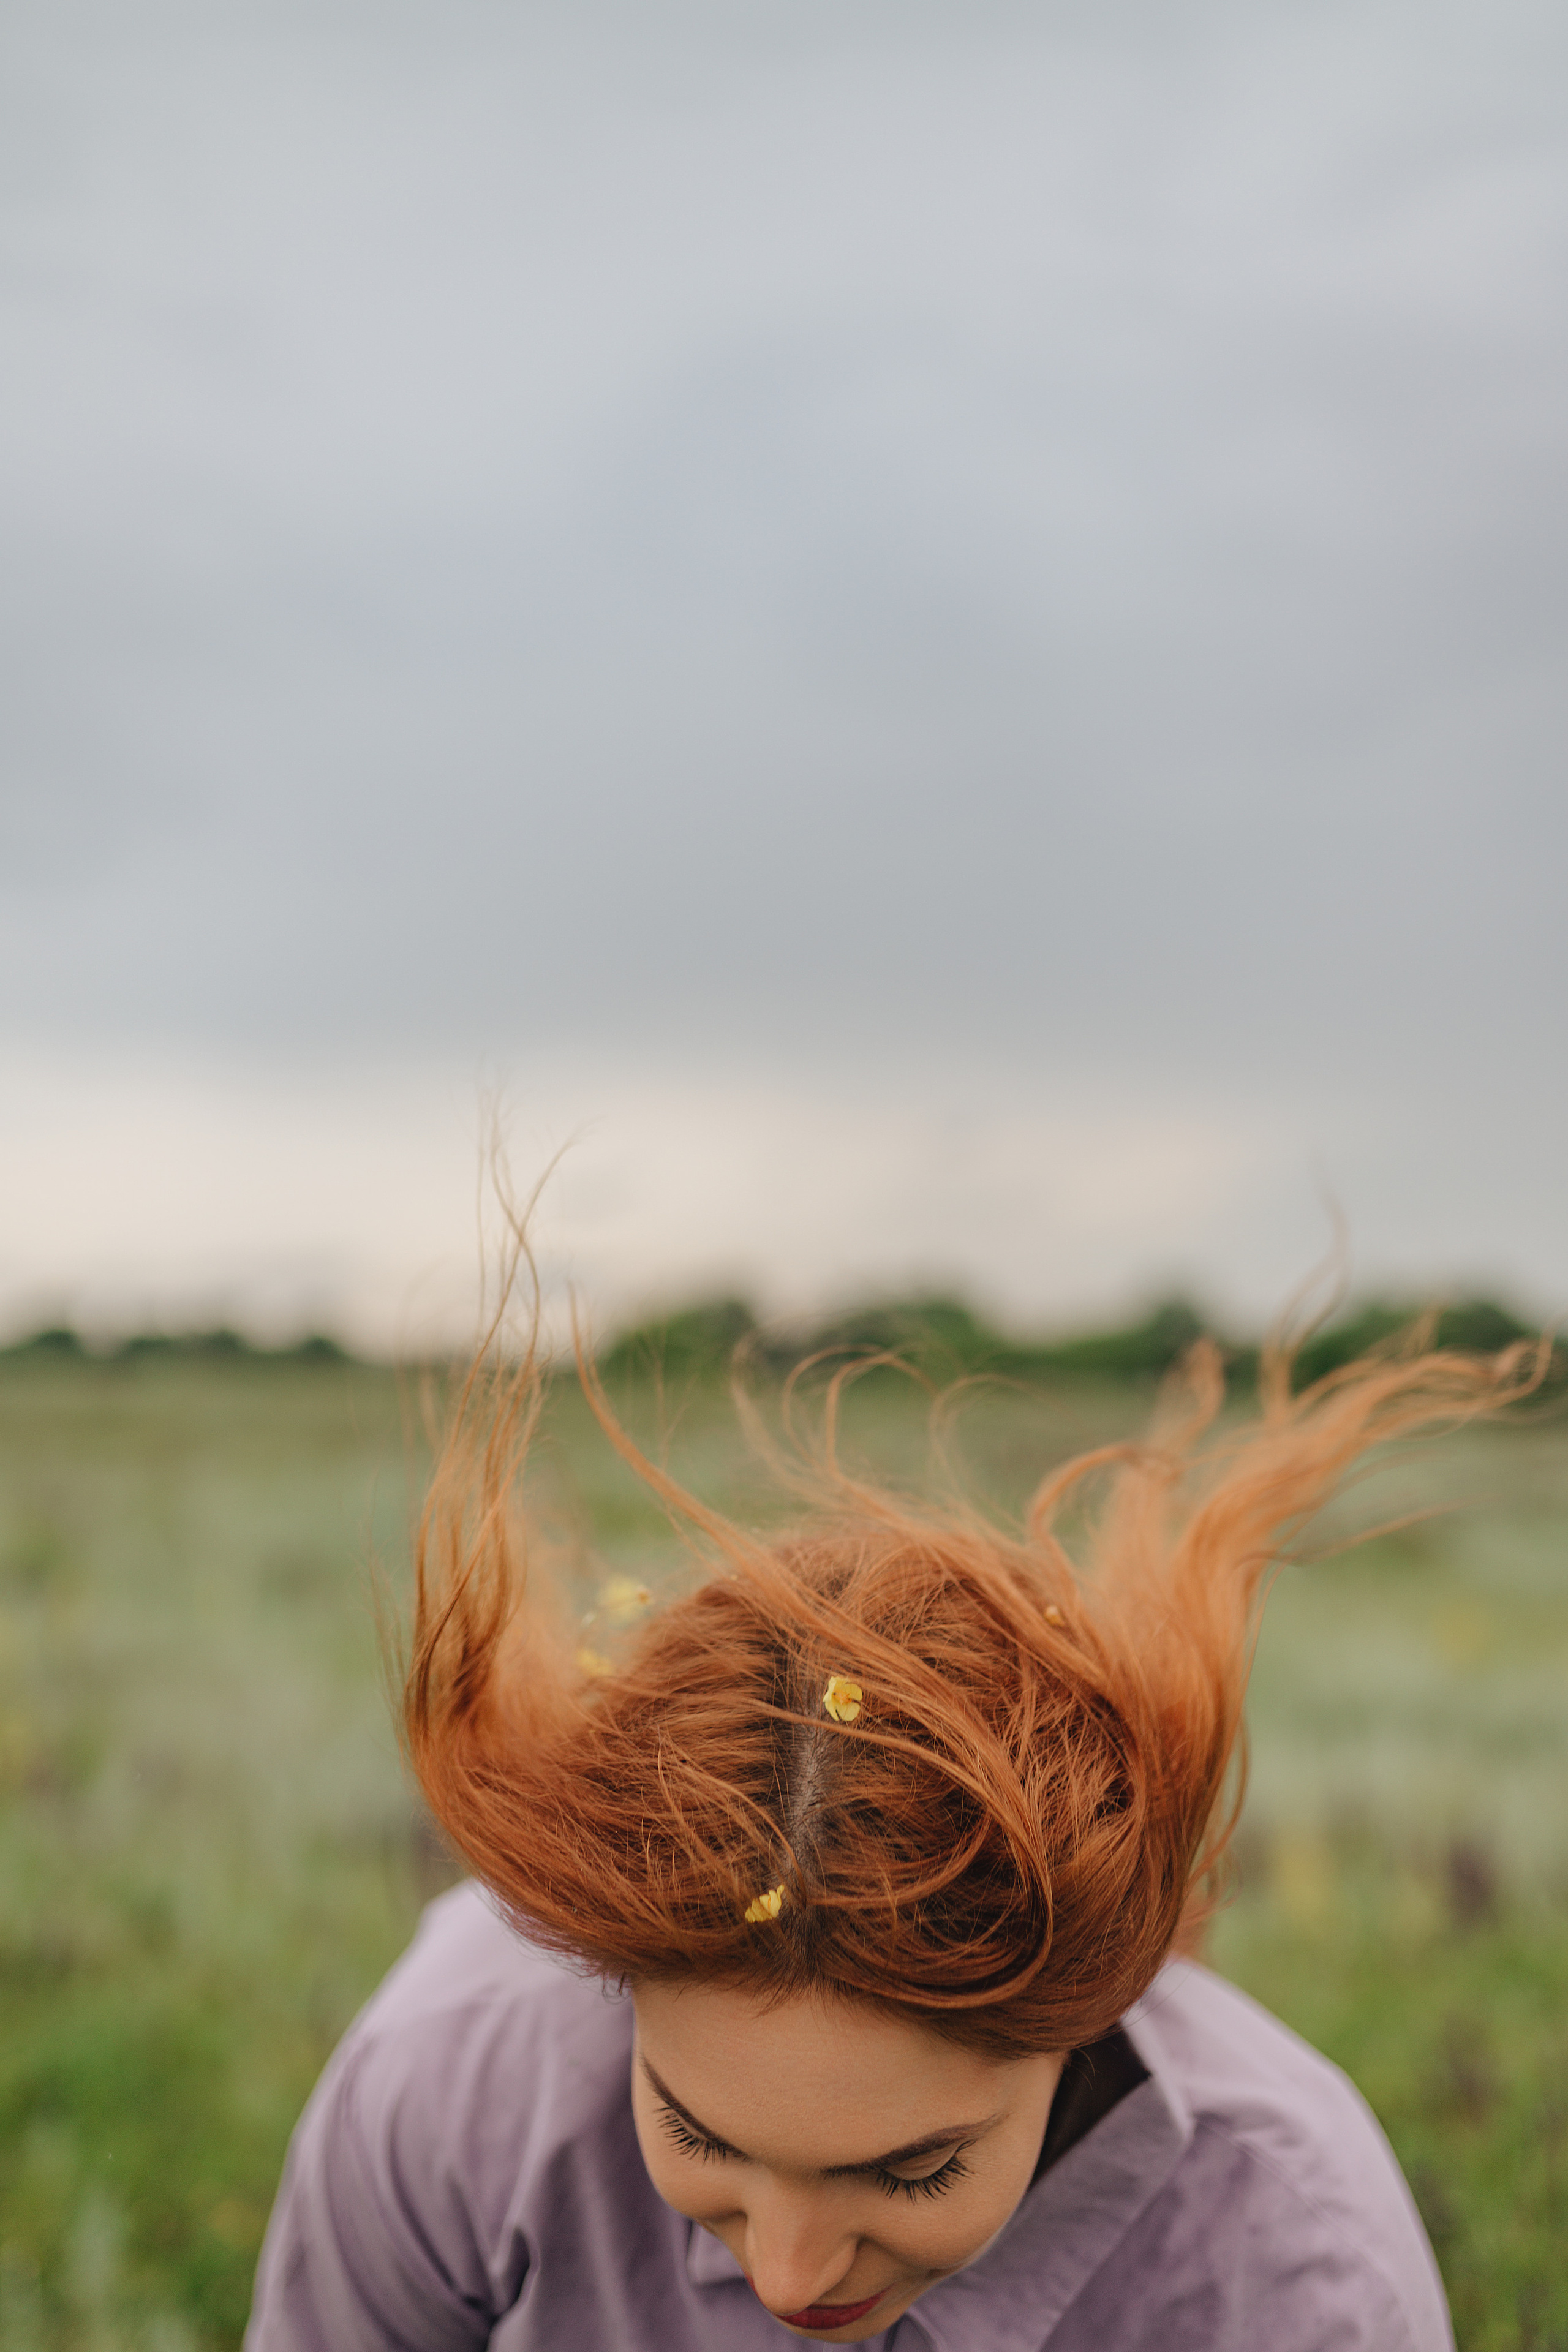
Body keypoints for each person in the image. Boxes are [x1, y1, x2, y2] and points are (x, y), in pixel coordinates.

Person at [246, 1294, 1536, 2351]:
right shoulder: (448, 2076)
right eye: (698, 2136)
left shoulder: (1294, 2260)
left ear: (1085, 2016)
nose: (792, 2278)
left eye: (912, 2171)